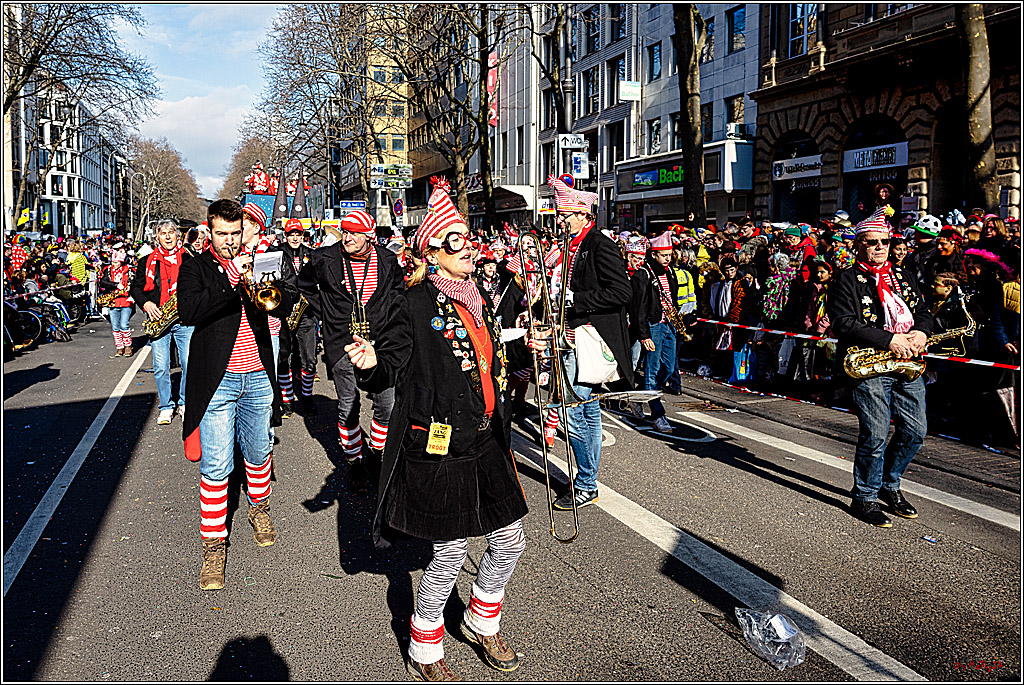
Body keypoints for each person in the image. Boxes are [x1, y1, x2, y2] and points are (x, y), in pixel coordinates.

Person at [345, 176, 528, 680]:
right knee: (449, 551)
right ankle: (424, 644)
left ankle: (481, 620)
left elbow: (486, 358)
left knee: (510, 537)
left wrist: (523, 346)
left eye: (468, 238)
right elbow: (391, 363)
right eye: (455, 241)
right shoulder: (413, 302)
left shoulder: (478, 294)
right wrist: (371, 364)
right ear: (431, 251)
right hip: (438, 440)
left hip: (485, 434)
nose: (467, 247)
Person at [177, 198, 297, 591]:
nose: (230, 240)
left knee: (259, 452)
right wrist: (231, 278)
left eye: (235, 232)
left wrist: (269, 282)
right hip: (219, 379)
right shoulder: (195, 266)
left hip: (259, 375)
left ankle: (259, 509)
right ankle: (214, 547)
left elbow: (286, 304)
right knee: (216, 465)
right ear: (209, 231)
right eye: (222, 233)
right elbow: (190, 311)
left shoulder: (261, 260)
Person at [827, 206, 933, 528]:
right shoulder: (845, 279)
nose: (880, 247)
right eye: (872, 242)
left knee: (915, 430)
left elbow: (924, 312)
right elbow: (843, 323)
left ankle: (889, 483)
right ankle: (865, 496)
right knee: (874, 431)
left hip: (907, 362)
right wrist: (889, 340)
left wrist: (921, 332)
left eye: (885, 242)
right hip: (870, 364)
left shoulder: (904, 275)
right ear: (858, 245)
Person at [543, 175, 633, 511]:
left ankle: (585, 484)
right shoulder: (571, 245)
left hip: (588, 339)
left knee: (571, 412)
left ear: (584, 215)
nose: (559, 222)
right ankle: (587, 480)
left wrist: (576, 299)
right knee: (588, 410)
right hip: (571, 337)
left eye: (564, 216)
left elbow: (623, 292)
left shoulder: (599, 244)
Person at [298, 209, 404, 487]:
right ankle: (354, 460)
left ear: (369, 235)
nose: (347, 238)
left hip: (379, 344)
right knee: (348, 406)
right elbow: (304, 285)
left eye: (354, 233)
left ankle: (376, 452)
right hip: (341, 342)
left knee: (386, 404)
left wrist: (389, 318)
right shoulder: (325, 258)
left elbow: (398, 291)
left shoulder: (387, 259)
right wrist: (326, 312)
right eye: (345, 232)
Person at [131, 219, 194, 425]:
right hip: (159, 318)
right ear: (157, 237)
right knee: (160, 366)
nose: (167, 236)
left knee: (189, 363)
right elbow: (136, 288)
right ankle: (166, 406)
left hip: (184, 319)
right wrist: (146, 303)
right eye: (163, 233)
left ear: (177, 235)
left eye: (171, 232)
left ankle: (184, 402)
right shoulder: (146, 261)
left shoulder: (188, 258)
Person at [635, 231, 677, 431]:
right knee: (652, 371)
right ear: (654, 254)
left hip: (669, 324)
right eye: (664, 255)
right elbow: (639, 308)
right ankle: (658, 415)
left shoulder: (670, 271)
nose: (668, 259)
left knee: (668, 368)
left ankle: (640, 393)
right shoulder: (644, 274)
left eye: (670, 255)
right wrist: (644, 335)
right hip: (654, 325)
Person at [277, 218, 318, 416]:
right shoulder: (276, 253)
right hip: (284, 312)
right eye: (291, 234)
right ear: (285, 236)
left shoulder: (311, 254)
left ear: (303, 236)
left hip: (306, 313)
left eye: (298, 234)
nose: (295, 238)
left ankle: (307, 397)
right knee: (283, 359)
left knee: (309, 360)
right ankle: (287, 401)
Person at [98, 249, 135, 357]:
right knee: (115, 326)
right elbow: (102, 282)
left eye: (116, 262)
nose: (114, 264)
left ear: (121, 262)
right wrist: (115, 285)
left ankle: (128, 346)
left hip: (126, 301)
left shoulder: (130, 271)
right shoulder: (108, 270)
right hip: (113, 302)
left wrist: (132, 293)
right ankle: (119, 347)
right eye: (113, 262)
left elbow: (136, 284)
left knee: (124, 325)